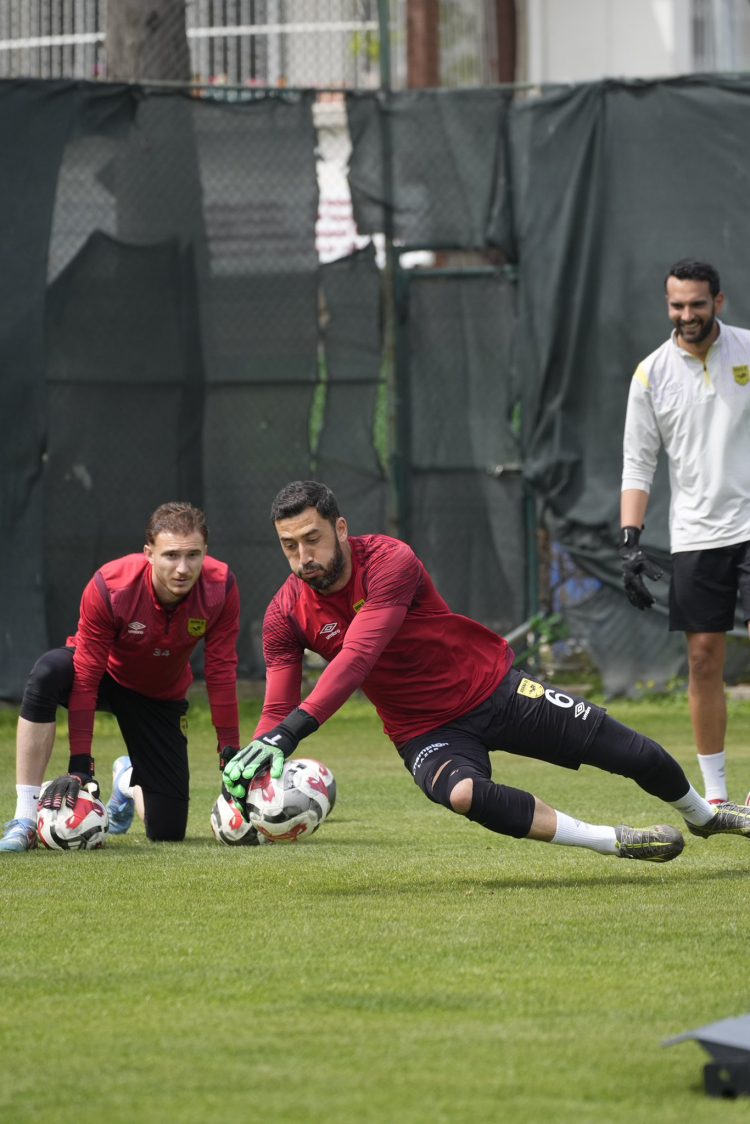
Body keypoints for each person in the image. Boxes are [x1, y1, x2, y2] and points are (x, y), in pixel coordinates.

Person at [223, 480, 750, 862]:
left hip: (492, 688)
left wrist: (290, 733)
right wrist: (256, 761)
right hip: (422, 731)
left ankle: (704, 815)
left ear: (340, 527)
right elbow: (276, 705)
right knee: (463, 795)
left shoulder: (389, 561)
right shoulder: (283, 613)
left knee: (632, 752)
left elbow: (358, 657)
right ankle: (614, 840)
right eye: (289, 546)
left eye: (311, 539)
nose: (302, 557)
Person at [0, 502, 241, 852]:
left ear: (206, 552)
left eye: (193, 555)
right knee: (48, 672)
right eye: (171, 555)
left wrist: (230, 750)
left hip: (159, 696)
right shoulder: (110, 586)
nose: (183, 568)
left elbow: (221, 671)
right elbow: (85, 677)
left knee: (167, 829)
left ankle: (127, 781)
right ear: (149, 553)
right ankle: (24, 819)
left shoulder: (221, 587)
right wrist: (80, 764)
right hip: (101, 675)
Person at [620, 257, 750, 805]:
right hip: (695, 536)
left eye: (697, 303)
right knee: (702, 658)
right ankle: (717, 797)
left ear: (717, 302)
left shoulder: (746, 349)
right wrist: (630, 540)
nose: (687, 314)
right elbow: (638, 464)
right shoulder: (651, 373)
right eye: (677, 304)